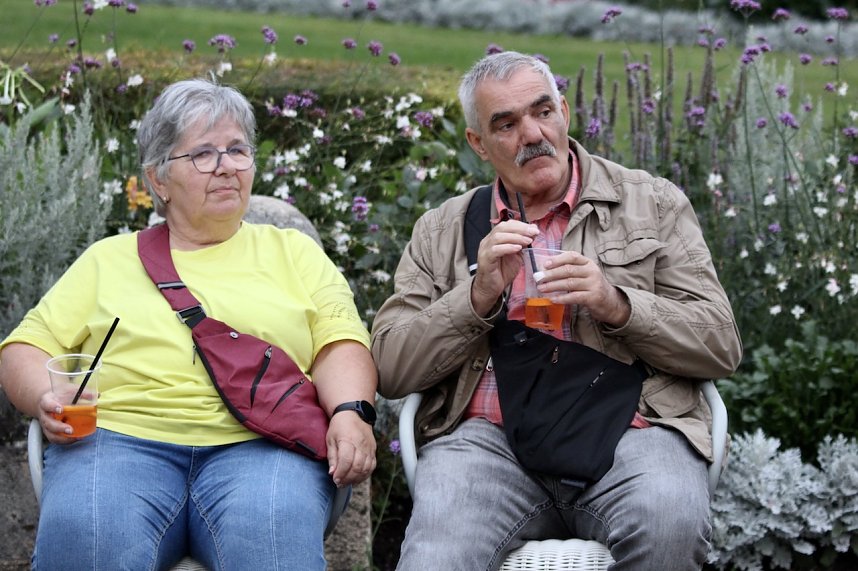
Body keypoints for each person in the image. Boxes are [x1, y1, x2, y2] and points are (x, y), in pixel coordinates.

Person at [371, 51, 742, 570]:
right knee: (435, 557)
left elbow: (720, 344)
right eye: (506, 124)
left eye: (542, 111)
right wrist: (476, 299)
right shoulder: (442, 230)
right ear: (478, 143)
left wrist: (616, 304)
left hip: (631, 432)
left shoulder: (653, 204)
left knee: (670, 522)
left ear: (564, 111)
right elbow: (389, 367)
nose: (531, 134)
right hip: (488, 446)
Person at [0, 78, 378, 570]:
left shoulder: (294, 253)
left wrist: (351, 412)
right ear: (158, 179)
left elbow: (340, 343)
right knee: (88, 540)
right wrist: (46, 398)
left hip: (264, 446)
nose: (225, 167)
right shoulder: (107, 260)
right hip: (115, 443)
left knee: (272, 537)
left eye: (237, 150)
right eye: (203, 154)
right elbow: (24, 348)